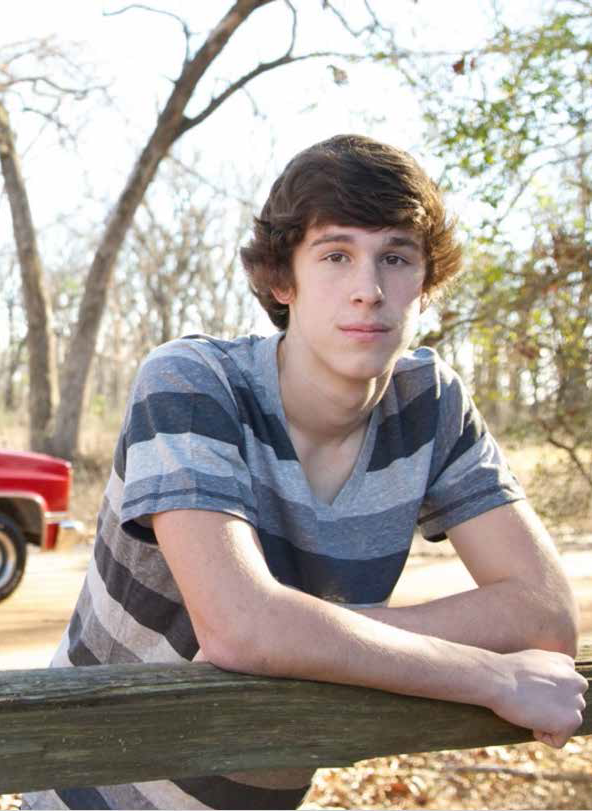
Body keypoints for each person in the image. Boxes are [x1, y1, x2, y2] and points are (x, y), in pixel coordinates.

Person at [25, 134, 587, 811]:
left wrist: (308, 636)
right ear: (281, 280)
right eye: (336, 255)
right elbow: (241, 629)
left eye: (396, 257)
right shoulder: (192, 382)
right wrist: (492, 676)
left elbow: (546, 617)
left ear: (426, 282)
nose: (369, 291)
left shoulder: (429, 404)